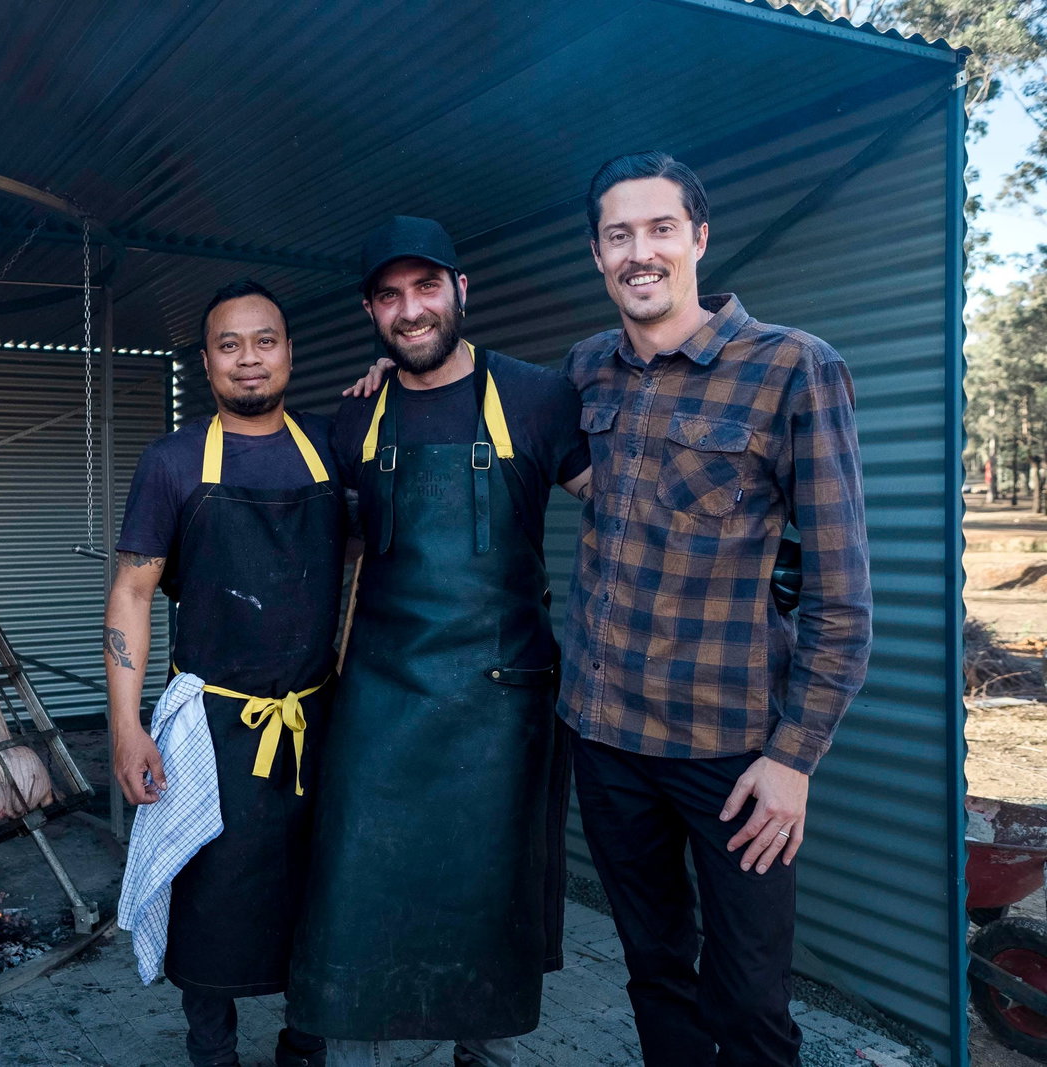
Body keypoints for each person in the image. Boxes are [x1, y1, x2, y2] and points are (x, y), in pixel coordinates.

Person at [561, 151, 871, 1066]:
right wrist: (391, 373)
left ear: (699, 237)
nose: (640, 251)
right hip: (606, 737)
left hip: (733, 756)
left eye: (660, 228)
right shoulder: (586, 369)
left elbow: (843, 593)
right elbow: (487, 410)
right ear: (598, 254)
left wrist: (793, 759)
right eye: (620, 234)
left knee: (747, 1001)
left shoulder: (794, 369)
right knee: (655, 972)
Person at [287, 217, 591, 1067]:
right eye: (391, 295)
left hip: (501, 704)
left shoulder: (537, 397)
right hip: (380, 696)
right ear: (370, 311)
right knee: (352, 879)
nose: (411, 309)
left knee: (484, 892)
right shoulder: (355, 421)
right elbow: (324, 541)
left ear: (463, 290)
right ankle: (331, 1034)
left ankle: (478, 1049)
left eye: (427, 287)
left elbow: (620, 505)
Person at [108, 279, 342, 1067]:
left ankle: (303, 1046)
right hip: (209, 729)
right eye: (230, 345)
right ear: (206, 363)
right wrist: (126, 726)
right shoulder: (172, 462)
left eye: (264, 341)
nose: (250, 360)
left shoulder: (333, 447)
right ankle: (212, 1051)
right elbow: (132, 592)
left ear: (288, 350)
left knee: (320, 897)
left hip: (318, 724)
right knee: (206, 899)